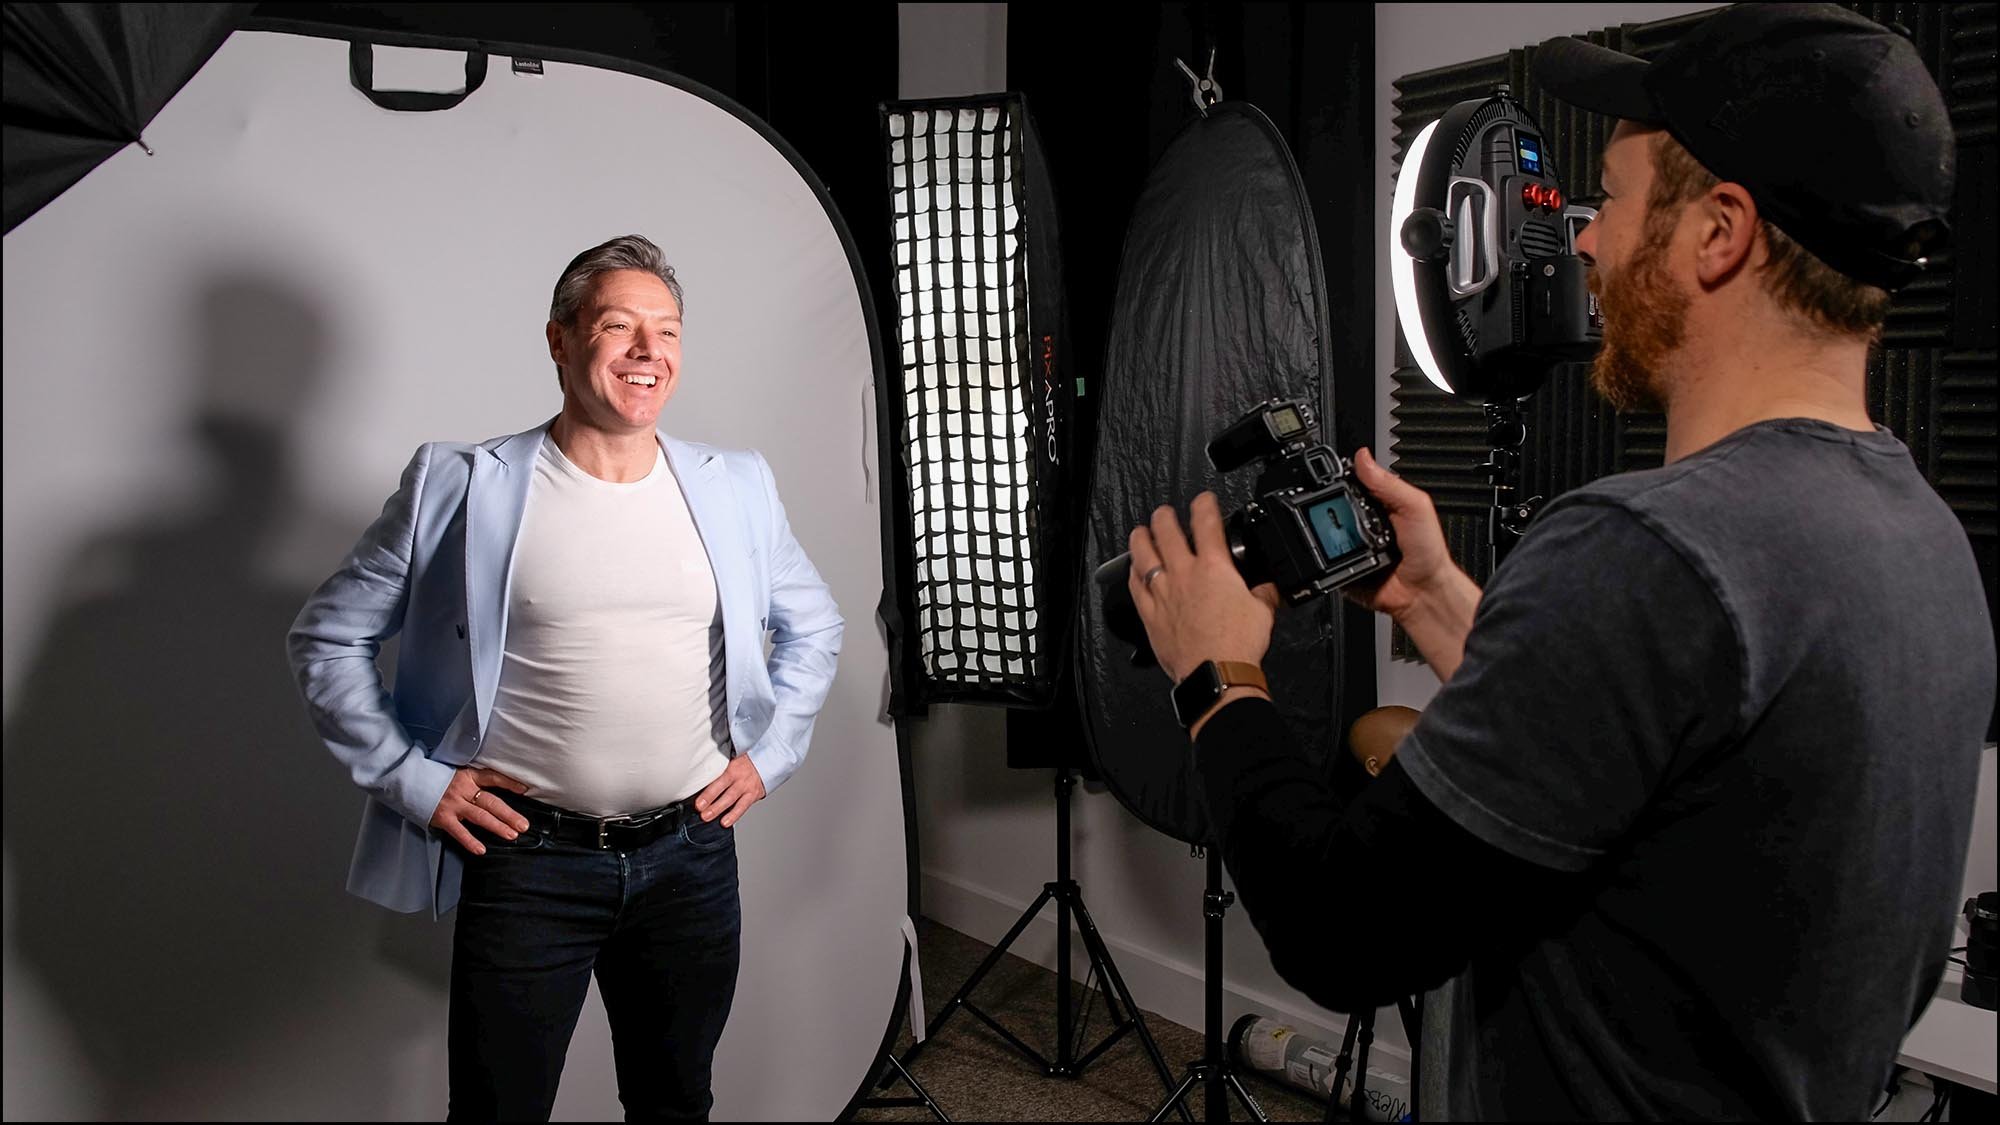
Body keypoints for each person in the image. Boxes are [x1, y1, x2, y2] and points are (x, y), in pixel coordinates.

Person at [1124, 5, 1994, 1120]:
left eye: (1615, 199)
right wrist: (1439, 599)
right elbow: (1653, 752)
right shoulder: (1922, 535)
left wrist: (1214, 680)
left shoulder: (1643, 548)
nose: (1580, 239)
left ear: (1716, 233)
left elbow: (1338, 930)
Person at [288, 234, 842, 1121]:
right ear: (559, 340)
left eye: (666, 331)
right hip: (529, 863)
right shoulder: (461, 483)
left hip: (690, 860)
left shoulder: (735, 485)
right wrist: (416, 782)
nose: (646, 352)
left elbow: (814, 624)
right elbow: (326, 638)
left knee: (675, 1101)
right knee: (498, 1109)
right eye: (617, 326)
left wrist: (771, 754)